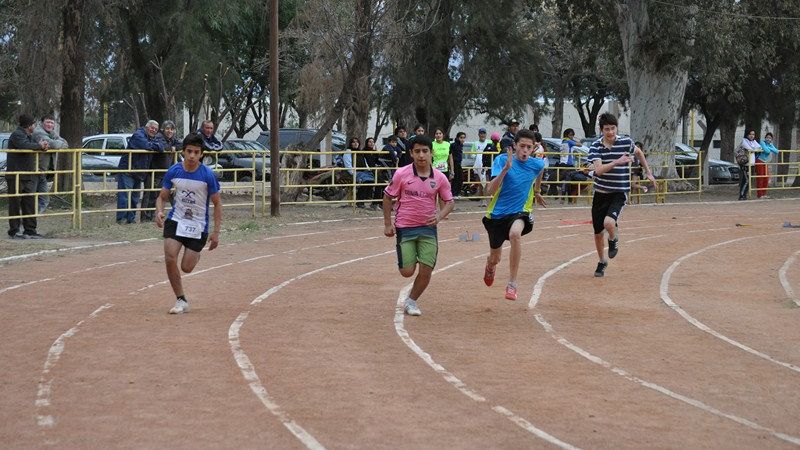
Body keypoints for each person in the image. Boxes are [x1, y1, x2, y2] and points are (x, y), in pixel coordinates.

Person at [382, 135, 454, 316]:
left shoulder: (440, 178)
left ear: (431, 153)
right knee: (407, 271)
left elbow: (450, 202)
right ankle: (409, 255)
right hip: (405, 228)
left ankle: (411, 301)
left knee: (426, 269)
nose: (421, 155)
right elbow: (387, 196)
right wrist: (387, 224)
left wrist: (439, 216)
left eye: (425, 151)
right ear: (411, 154)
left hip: (428, 229)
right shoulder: (401, 174)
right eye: (417, 151)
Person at [155, 133, 222, 314]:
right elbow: (161, 197)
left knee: (186, 267)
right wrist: (159, 211)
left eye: (196, 152)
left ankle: (196, 254)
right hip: (177, 220)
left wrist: (216, 232)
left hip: (198, 225)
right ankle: (181, 299)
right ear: (183, 152)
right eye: (189, 151)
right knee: (170, 257)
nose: (192, 156)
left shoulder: (208, 175)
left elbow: (217, 204)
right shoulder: (174, 171)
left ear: (201, 154)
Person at [586, 112, 655, 277]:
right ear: (601, 130)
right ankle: (602, 261)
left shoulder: (625, 142)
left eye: (613, 128)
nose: (610, 132)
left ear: (617, 128)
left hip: (619, 192)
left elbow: (639, 153)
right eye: (607, 129)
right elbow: (598, 171)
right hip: (601, 192)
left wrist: (648, 173)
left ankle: (613, 239)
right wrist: (617, 161)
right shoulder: (595, 146)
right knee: (597, 232)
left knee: (609, 223)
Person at [481, 129, 547, 301]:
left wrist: (537, 191)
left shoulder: (537, 164)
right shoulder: (502, 160)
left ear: (533, 148)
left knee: (515, 234)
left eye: (529, 147)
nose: (525, 150)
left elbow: (540, 171)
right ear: (515, 146)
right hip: (496, 216)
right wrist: (505, 170)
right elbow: (489, 191)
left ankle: (512, 283)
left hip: (520, 212)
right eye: (522, 146)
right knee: (495, 258)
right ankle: (490, 265)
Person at [7, 114, 49, 239]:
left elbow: (36, 145)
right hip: (16, 175)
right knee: (15, 203)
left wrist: (43, 146)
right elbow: (24, 146)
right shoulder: (17, 135)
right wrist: (39, 146)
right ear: (29, 125)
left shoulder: (29, 136)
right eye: (34, 124)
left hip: (28, 175)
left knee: (29, 202)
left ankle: (30, 230)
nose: (35, 126)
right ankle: (14, 231)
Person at [117, 120, 166, 224]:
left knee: (134, 197)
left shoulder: (152, 138)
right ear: (146, 127)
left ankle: (131, 219)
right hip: (127, 170)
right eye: (152, 128)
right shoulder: (138, 135)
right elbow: (145, 145)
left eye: (156, 129)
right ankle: (121, 219)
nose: (154, 130)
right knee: (125, 196)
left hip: (139, 172)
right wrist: (154, 145)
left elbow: (162, 146)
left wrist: (154, 144)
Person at [141, 120, 180, 221]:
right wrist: (170, 148)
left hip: (165, 173)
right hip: (154, 172)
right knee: (151, 195)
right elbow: (161, 147)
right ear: (163, 129)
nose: (169, 131)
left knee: (167, 194)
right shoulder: (158, 137)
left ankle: (174, 215)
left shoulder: (172, 140)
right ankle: (146, 218)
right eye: (167, 129)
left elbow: (181, 144)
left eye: (171, 129)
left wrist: (175, 147)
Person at [31, 115, 68, 214]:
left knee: (44, 199)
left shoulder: (51, 132)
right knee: (30, 197)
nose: (50, 124)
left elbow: (66, 144)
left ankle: (32, 217)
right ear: (42, 123)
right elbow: (55, 144)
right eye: (47, 122)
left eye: (52, 123)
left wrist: (56, 143)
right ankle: (26, 218)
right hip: (34, 169)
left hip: (43, 171)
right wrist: (57, 144)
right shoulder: (38, 132)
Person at [738, 129, 761, 200]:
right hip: (745, 164)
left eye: (753, 134)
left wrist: (754, 148)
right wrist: (754, 148)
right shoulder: (744, 141)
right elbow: (749, 148)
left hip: (752, 164)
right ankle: (741, 195)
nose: (752, 136)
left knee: (749, 180)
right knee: (746, 180)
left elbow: (760, 148)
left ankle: (744, 195)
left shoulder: (754, 141)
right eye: (750, 134)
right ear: (747, 135)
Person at [472, 128, 492, 206]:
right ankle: (482, 199)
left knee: (486, 182)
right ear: (478, 134)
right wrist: (477, 155)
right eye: (481, 133)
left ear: (486, 134)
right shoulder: (475, 143)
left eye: (484, 133)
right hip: (477, 165)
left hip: (486, 165)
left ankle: (486, 200)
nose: (482, 135)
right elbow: (472, 154)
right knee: (480, 183)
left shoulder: (489, 142)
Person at [756, 132, 780, 199]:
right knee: (760, 177)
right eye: (767, 137)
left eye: (770, 138)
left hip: (765, 162)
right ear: (765, 138)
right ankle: (760, 194)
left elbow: (777, 151)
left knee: (766, 177)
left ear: (771, 139)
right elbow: (767, 151)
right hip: (760, 160)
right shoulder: (762, 142)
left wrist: (769, 147)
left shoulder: (770, 144)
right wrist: (769, 148)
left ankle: (764, 194)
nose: (768, 139)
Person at [449, 131, 466, 198]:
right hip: (454, 163)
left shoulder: (461, 145)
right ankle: (454, 193)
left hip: (459, 163)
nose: (462, 139)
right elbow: (451, 155)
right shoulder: (454, 145)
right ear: (457, 138)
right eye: (461, 138)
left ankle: (457, 193)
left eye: (464, 138)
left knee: (460, 178)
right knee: (456, 179)